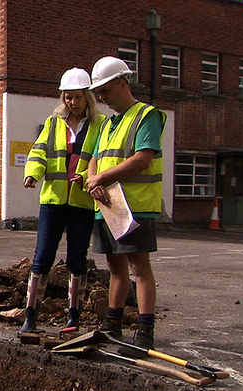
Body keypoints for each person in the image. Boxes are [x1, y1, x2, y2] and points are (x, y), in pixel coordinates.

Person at [84, 56, 166, 355]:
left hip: (135, 206)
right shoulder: (108, 124)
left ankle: (145, 332)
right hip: (108, 207)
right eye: (98, 93)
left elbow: (142, 159)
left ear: (122, 82)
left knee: (138, 268)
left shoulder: (147, 116)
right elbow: (94, 157)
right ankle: (112, 323)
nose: (101, 98)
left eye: (105, 91)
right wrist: (93, 179)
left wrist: (101, 177)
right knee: (114, 267)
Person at [20, 68, 106, 334]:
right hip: (53, 201)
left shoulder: (100, 125)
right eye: (68, 97)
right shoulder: (54, 122)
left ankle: (73, 319)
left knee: (77, 260)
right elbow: (39, 151)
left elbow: (102, 158)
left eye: (78, 97)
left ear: (87, 97)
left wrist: (85, 177)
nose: (72, 102)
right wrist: (32, 173)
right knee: (42, 257)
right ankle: (30, 316)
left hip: (82, 202)